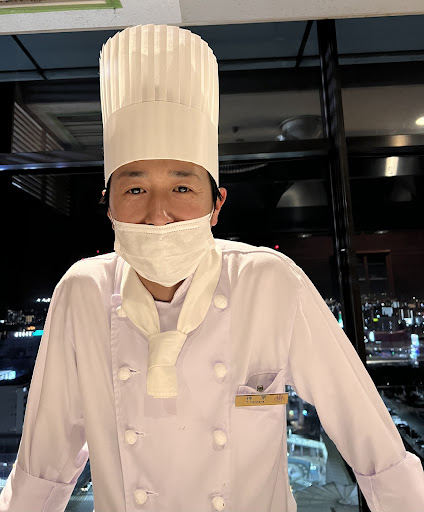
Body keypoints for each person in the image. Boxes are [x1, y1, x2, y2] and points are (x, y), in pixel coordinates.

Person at [1, 23, 424, 512]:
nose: (159, 214)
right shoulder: (82, 291)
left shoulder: (269, 281)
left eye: (182, 188)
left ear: (216, 204)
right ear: (108, 204)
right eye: (135, 189)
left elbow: (369, 437)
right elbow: (45, 460)